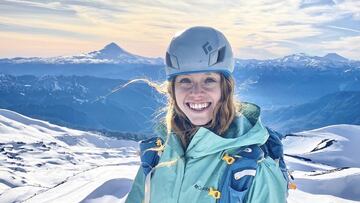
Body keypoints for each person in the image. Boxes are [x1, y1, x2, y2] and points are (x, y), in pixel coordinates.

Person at [125, 26, 288, 203]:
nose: (196, 92)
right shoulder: (157, 155)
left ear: (225, 89)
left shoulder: (253, 169)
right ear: (173, 90)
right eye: (185, 81)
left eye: (209, 80)